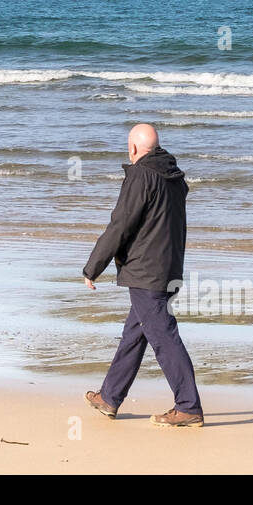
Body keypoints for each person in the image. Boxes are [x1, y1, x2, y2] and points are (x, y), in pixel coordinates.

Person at [82, 123, 203, 427]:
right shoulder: (174, 177)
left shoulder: (140, 175)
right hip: (169, 267)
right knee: (134, 335)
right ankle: (110, 397)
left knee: (164, 336)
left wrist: (93, 266)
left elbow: (120, 224)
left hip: (146, 272)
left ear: (133, 148)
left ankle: (188, 406)